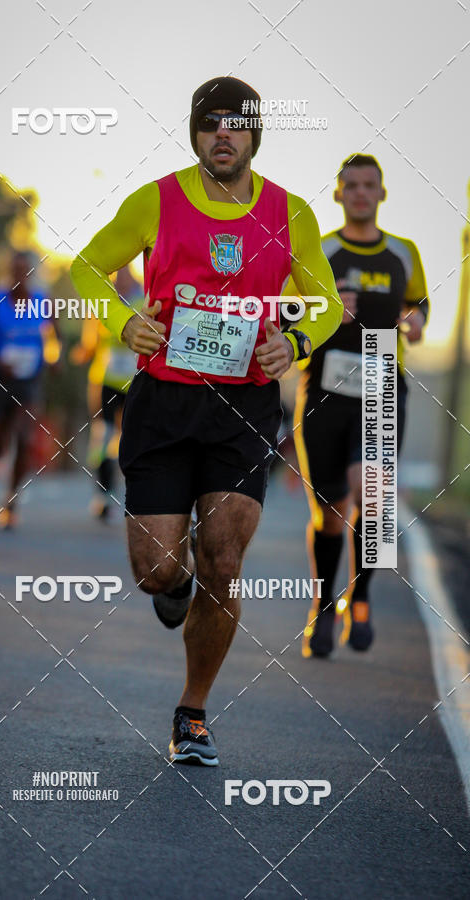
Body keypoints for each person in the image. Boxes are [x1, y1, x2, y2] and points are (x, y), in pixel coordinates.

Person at [72, 76, 342, 766]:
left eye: (237, 122)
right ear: (194, 132)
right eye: (210, 122)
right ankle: (176, 584)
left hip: (244, 406)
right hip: (164, 403)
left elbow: (328, 304)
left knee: (225, 560)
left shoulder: (290, 213)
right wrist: (122, 319)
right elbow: (86, 269)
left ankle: (192, 712)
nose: (223, 133)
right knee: (158, 570)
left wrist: (298, 339)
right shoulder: (155, 201)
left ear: (254, 134)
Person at [292, 154, 429, 658]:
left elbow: (418, 302)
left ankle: (362, 596)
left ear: (382, 193)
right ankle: (322, 606)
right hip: (325, 389)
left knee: (369, 495)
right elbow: (289, 307)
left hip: (382, 384)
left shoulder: (404, 252)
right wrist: (326, 306)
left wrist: (414, 321)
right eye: (351, 185)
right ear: (338, 193)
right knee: (328, 512)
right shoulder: (320, 250)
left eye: (369, 185)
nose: (360, 194)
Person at [0, 250, 56, 530]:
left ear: (31, 273)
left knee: (24, 438)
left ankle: (10, 501)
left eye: (24, 270)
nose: (19, 276)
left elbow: (53, 336)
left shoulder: (41, 301)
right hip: (0, 379)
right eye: (15, 270)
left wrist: (53, 360)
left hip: (29, 381)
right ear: (9, 272)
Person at [72, 265, 140, 519]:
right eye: (114, 275)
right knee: (103, 436)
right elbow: (90, 343)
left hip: (135, 382)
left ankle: (134, 493)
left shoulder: (146, 299)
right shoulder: (103, 303)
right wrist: (82, 353)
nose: (118, 279)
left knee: (130, 438)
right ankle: (103, 494)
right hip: (106, 380)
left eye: (123, 273)